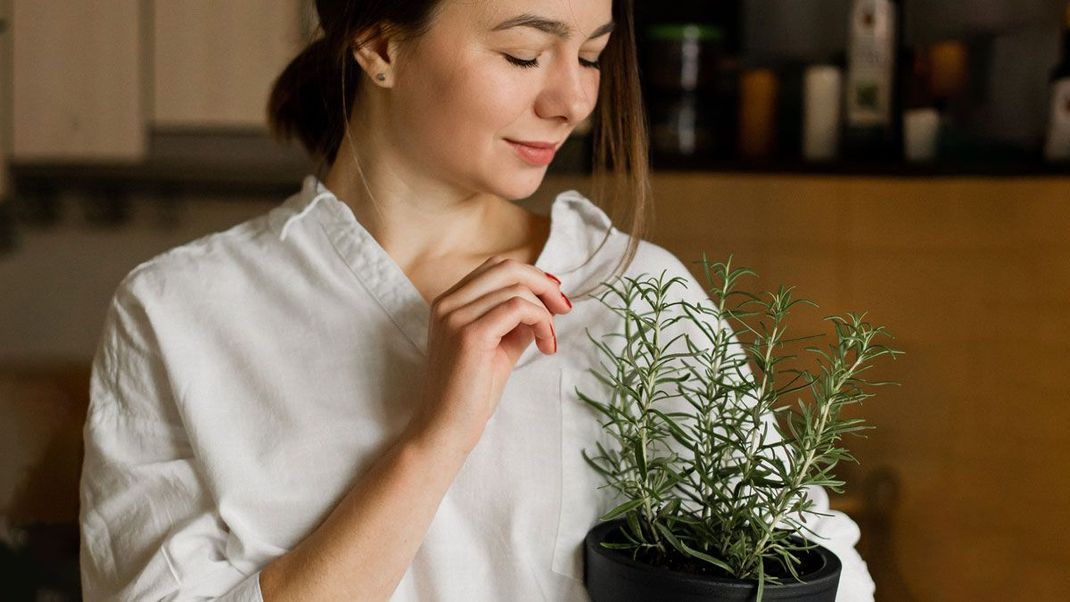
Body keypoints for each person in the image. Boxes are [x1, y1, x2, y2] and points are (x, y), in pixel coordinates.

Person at [78, 1, 876, 600]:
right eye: (525, 54)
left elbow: (824, 577)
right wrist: (435, 441)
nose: (572, 101)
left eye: (592, 55)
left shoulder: (635, 292)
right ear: (381, 43)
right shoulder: (180, 311)